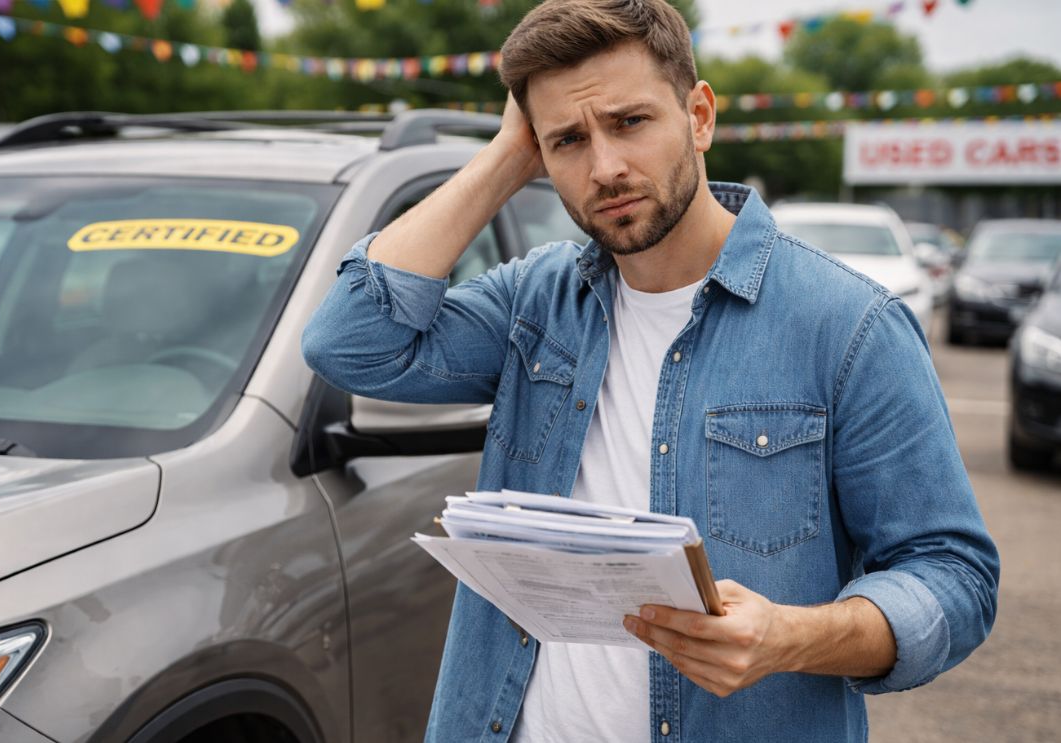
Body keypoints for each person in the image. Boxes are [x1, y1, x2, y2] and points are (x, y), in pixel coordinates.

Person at [301, 0, 999, 739]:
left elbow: (952, 576)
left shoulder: (847, 325)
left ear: (698, 116)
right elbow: (350, 340)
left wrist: (789, 635)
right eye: (567, 140)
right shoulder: (532, 303)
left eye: (629, 122)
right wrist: (510, 152)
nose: (604, 168)